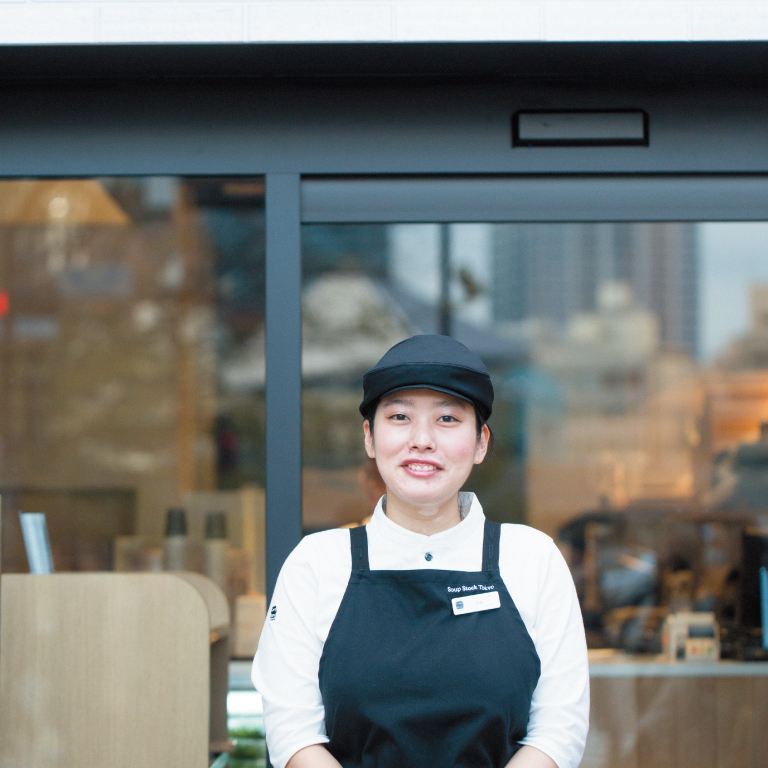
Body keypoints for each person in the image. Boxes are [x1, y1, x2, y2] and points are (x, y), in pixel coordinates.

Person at [253, 335, 589, 768]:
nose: (422, 440)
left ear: (481, 442)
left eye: (447, 418)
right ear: (370, 438)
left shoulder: (532, 559)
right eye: (399, 417)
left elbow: (560, 730)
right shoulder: (316, 563)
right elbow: (292, 733)